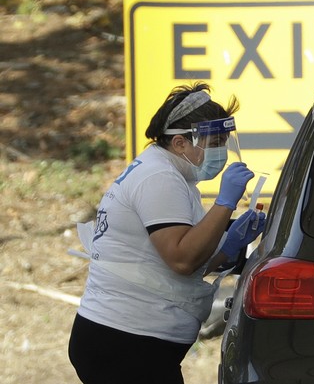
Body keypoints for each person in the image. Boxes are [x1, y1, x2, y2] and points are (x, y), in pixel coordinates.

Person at [68, 82, 265, 384]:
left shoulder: (172, 176)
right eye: (214, 142)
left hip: (133, 342)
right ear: (180, 144)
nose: (222, 151)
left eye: (225, 141)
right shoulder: (159, 177)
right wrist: (224, 204)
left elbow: (180, 266)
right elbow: (182, 260)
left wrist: (230, 246)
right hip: (126, 342)